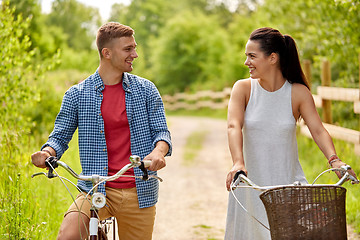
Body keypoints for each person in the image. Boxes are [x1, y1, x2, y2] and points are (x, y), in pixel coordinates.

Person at [31, 22, 172, 240]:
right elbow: (59, 137)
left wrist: (158, 152)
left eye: (134, 48)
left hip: (139, 191)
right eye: (128, 49)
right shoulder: (76, 95)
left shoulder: (146, 90)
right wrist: (48, 153)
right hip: (94, 189)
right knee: (67, 236)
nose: (135, 54)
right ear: (106, 53)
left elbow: (162, 133)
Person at [224, 27, 358, 239]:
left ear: (272, 58)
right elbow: (233, 126)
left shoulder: (297, 92)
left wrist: (334, 160)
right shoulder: (243, 89)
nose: (246, 62)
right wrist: (238, 163)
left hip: (287, 183)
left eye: (252, 56)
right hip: (250, 183)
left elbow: (318, 129)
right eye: (246, 56)